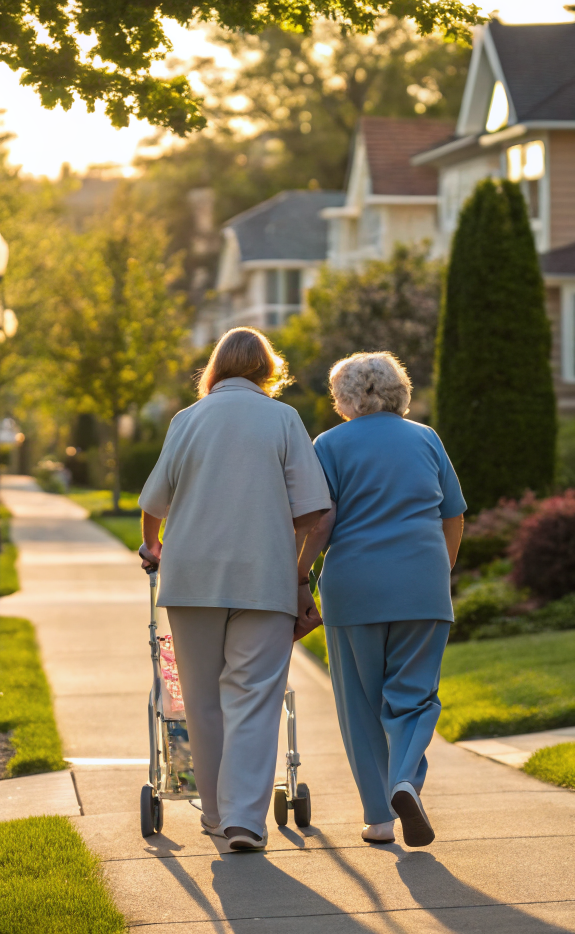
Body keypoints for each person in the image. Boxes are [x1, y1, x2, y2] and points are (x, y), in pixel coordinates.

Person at [138, 327, 328, 852]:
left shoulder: (187, 419)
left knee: (201, 700)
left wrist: (153, 545)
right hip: (263, 576)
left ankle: (216, 814)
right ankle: (245, 819)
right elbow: (313, 511)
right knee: (254, 695)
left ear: (216, 368)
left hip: (191, 578)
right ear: (267, 369)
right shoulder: (283, 419)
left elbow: (154, 502)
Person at [300, 352, 465, 847]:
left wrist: (299, 574)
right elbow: (453, 516)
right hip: (422, 584)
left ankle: (379, 819)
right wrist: (438, 571)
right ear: (399, 391)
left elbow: (322, 521)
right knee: (416, 696)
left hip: (354, 587)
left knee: (360, 704)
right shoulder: (426, 438)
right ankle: (405, 781)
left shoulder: (329, 444)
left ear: (344, 397)